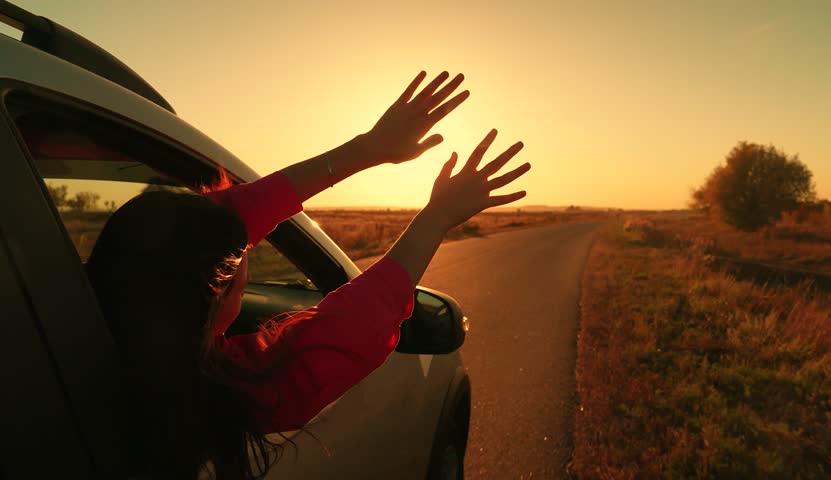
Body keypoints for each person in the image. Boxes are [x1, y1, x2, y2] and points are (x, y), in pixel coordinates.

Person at [85, 71, 531, 480]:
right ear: (214, 296)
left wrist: (368, 149)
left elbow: (210, 226)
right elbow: (348, 329)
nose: (246, 265)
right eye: (240, 271)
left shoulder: (90, 319)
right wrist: (436, 216)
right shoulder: (220, 390)